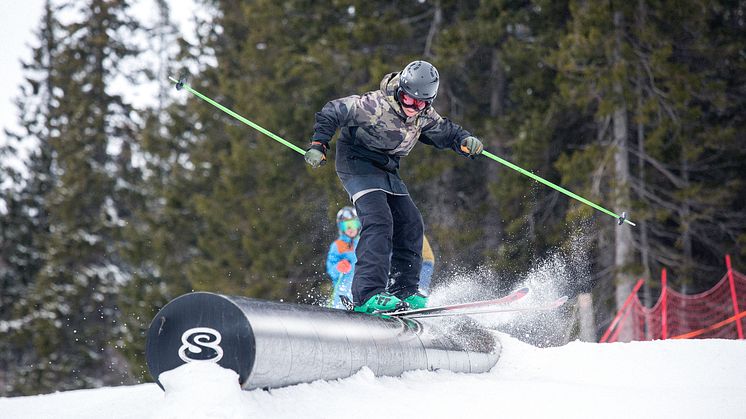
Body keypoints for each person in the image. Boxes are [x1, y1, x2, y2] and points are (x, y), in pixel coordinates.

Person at [305, 60, 483, 313]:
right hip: (357, 162)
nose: (412, 107)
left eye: (420, 103)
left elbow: (444, 131)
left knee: (411, 223)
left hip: (387, 168)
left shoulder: (422, 115)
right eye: (408, 99)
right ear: (400, 90)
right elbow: (332, 111)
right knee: (379, 221)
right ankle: (367, 294)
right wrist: (319, 144)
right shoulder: (374, 104)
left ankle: (403, 290)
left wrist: (464, 141)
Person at [326, 206, 360, 309]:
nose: (350, 229)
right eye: (346, 225)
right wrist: (338, 267)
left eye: (353, 224)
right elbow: (330, 269)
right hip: (344, 291)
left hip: (362, 286)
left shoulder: (364, 242)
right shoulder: (337, 245)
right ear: (341, 227)